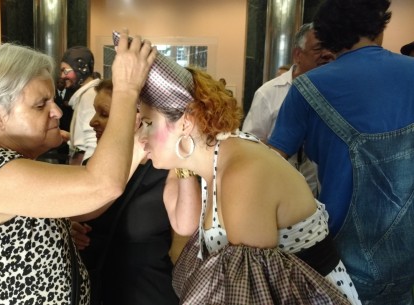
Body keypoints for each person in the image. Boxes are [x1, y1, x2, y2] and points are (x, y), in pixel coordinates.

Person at [114, 33, 359, 304]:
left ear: (186, 122)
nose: (141, 136)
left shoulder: (242, 173)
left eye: (149, 123)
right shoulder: (214, 161)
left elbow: (255, 295)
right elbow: (184, 226)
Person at [0, 32, 156, 304]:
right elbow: (102, 185)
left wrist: (58, 231)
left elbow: (87, 202)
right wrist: (126, 90)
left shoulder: (5, 161)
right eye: (41, 104)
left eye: (52, 100)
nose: (56, 111)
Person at [268, 0, 414, 303]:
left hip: (338, 257)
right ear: (379, 25)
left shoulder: (307, 88)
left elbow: (270, 168)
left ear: (326, 35)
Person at [71, 79, 191, 305]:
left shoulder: (169, 173)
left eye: (104, 114)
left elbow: (184, 249)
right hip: (96, 292)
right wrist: (69, 230)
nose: (92, 121)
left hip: (150, 294)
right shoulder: (92, 165)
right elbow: (76, 212)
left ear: (138, 119)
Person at [243, 23, 335, 196]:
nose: (327, 55)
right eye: (319, 49)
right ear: (297, 55)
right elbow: (249, 144)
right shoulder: (269, 93)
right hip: (280, 194)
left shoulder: (336, 94)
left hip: (323, 195)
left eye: (331, 49)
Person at [60, 46, 101, 165]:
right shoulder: (86, 94)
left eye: (65, 70)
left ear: (80, 69)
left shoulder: (90, 96)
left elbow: (93, 143)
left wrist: (86, 175)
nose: (62, 76)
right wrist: (71, 137)